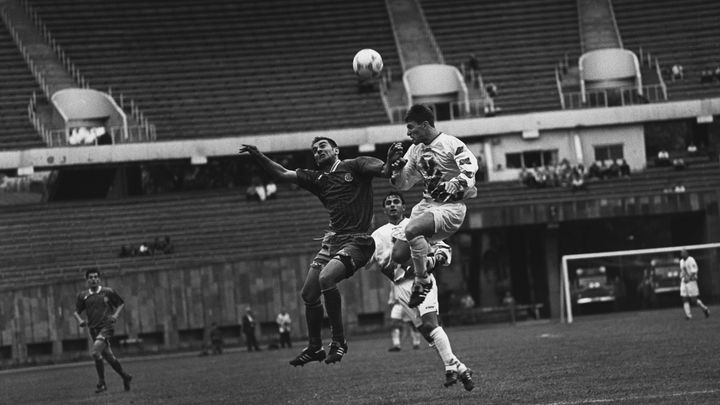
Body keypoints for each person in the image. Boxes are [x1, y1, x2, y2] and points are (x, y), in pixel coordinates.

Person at [239, 137, 397, 366]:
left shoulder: (355, 165)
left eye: (322, 146)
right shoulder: (318, 178)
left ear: (336, 150)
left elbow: (384, 170)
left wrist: (391, 161)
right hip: (332, 241)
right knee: (308, 294)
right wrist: (258, 156)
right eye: (314, 149)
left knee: (326, 278)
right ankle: (315, 347)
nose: (317, 151)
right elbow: (282, 174)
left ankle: (339, 341)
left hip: (358, 241)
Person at [363, 191, 475, 391]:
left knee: (431, 323)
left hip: (420, 281)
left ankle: (450, 367)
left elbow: (443, 250)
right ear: (384, 209)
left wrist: (431, 261)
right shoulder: (377, 235)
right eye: (388, 203)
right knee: (425, 331)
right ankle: (461, 367)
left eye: (396, 201)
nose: (392, 205)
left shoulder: (416, 224)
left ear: (404, 207)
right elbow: (367, 263)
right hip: (399, 287)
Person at [387, 104, 479, 309]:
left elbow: (470, 171)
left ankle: (423, 281)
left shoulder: (450, 144)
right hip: (426, 205)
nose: (408, 132)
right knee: (399, 256)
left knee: (412, 229)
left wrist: (452, 185)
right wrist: (395, 169)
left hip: (451, 208)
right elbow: (404, 184)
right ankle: (435, 256)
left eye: (411, 127)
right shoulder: (415, 150)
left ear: (425, 124)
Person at [73, 268, 132, 394]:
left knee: (95, 353)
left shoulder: (108, 292)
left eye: (95, 277)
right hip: (93, 330)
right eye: (91, 277)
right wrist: (80, 321)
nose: (93, 279)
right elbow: (76, 312)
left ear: (99, 279)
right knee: (109, 357)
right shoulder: (83, 296)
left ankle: (102, 383)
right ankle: (125, 377)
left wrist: (115, 315)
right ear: (87, 279)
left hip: (106, 327)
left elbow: (121, 303)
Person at [679, 249, 710, 320]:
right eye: (681, 253)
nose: (682, 254)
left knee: (694, 300)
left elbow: (694, 271)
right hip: (684, 282)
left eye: (684, 253)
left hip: (691, 282)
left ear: (687, 253)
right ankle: (688, 316)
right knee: (684, 298)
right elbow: (683, 271)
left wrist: (689, 279)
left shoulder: (691, 260)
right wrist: (681, 275)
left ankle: (705, 309)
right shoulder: (681, 262)